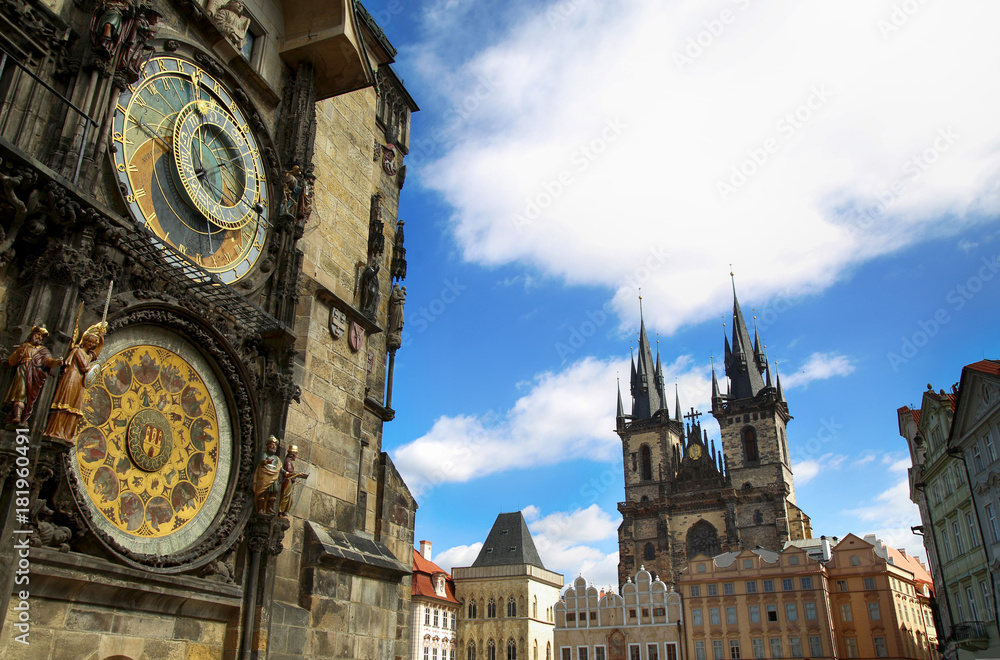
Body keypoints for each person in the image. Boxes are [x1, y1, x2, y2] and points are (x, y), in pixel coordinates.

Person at [44, 322, 106, 443]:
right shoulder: (78, 351)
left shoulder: (87, 354)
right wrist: (94, 371)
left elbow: (94, 356)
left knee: (74, 407)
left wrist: (101, 343)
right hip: (72, 378)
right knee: (65, 403)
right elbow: (84, 367)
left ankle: (66, 433)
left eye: (93, 343)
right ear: (85, 341)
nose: (91, 344)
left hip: (79, 381)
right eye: (90, 342)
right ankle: (57, 431)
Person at [5, 326, 62, 426]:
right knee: (20, 393)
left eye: (42, 337)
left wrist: (57, 362)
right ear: (32, 334)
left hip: (35, 376)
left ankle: (22, 420)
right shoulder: (24, 346)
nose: (39, 338)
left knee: (29, 400)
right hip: (22, 372)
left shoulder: (43, 351)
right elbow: (11, 361)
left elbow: (48, 361)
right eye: (38, 335)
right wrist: (19, 353)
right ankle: (17, 417)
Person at [252, 436, 281, 514]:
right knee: (262, 492)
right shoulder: (265, 455)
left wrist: (286, 473)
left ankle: (269, 507)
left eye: (275, 445)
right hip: (265, 476)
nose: (274, 446)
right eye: (272, 444)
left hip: (274, 476)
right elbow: (261, 462)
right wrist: (267, 462)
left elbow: (280, 468)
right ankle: (260, 508)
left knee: (275, 490)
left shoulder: (276, 458)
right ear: (268, 445)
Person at [278, 444, 308, 516]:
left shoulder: (289, 461)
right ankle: (280, 511)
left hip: (289, 482)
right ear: (293, 455)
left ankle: (283, 511)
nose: (296, 456)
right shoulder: (288, 462)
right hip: (287, 482)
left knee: (288, 498)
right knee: (285, 497)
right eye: (296, 454)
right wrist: (298, 474)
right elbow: (289, 473)